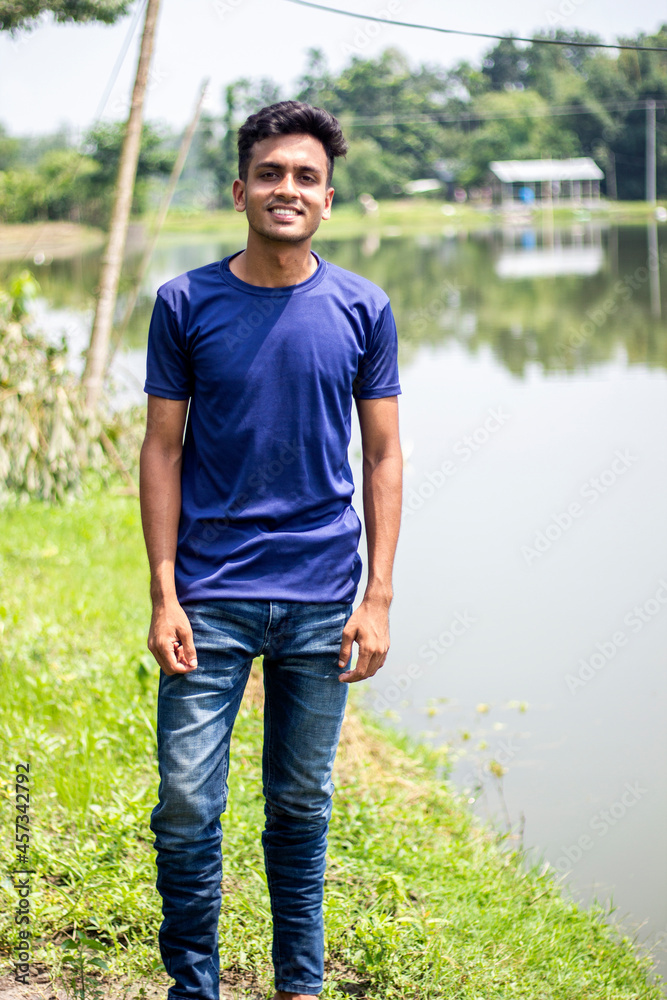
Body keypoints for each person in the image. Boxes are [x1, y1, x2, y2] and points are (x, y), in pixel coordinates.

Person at [139, 100, 402, 1000]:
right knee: (186, 805)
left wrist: (378, 597)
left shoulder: (363, 308)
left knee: (299, 805)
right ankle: (194, 987)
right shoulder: (185, 302)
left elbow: (382, 455)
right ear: (240, 187)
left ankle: (299, 985)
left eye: (304, 177)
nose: (285, 189)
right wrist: (163, 595)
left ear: (328, 199)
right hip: (209, 594)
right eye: (270, 173)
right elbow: (161, 449)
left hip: (323, 595)